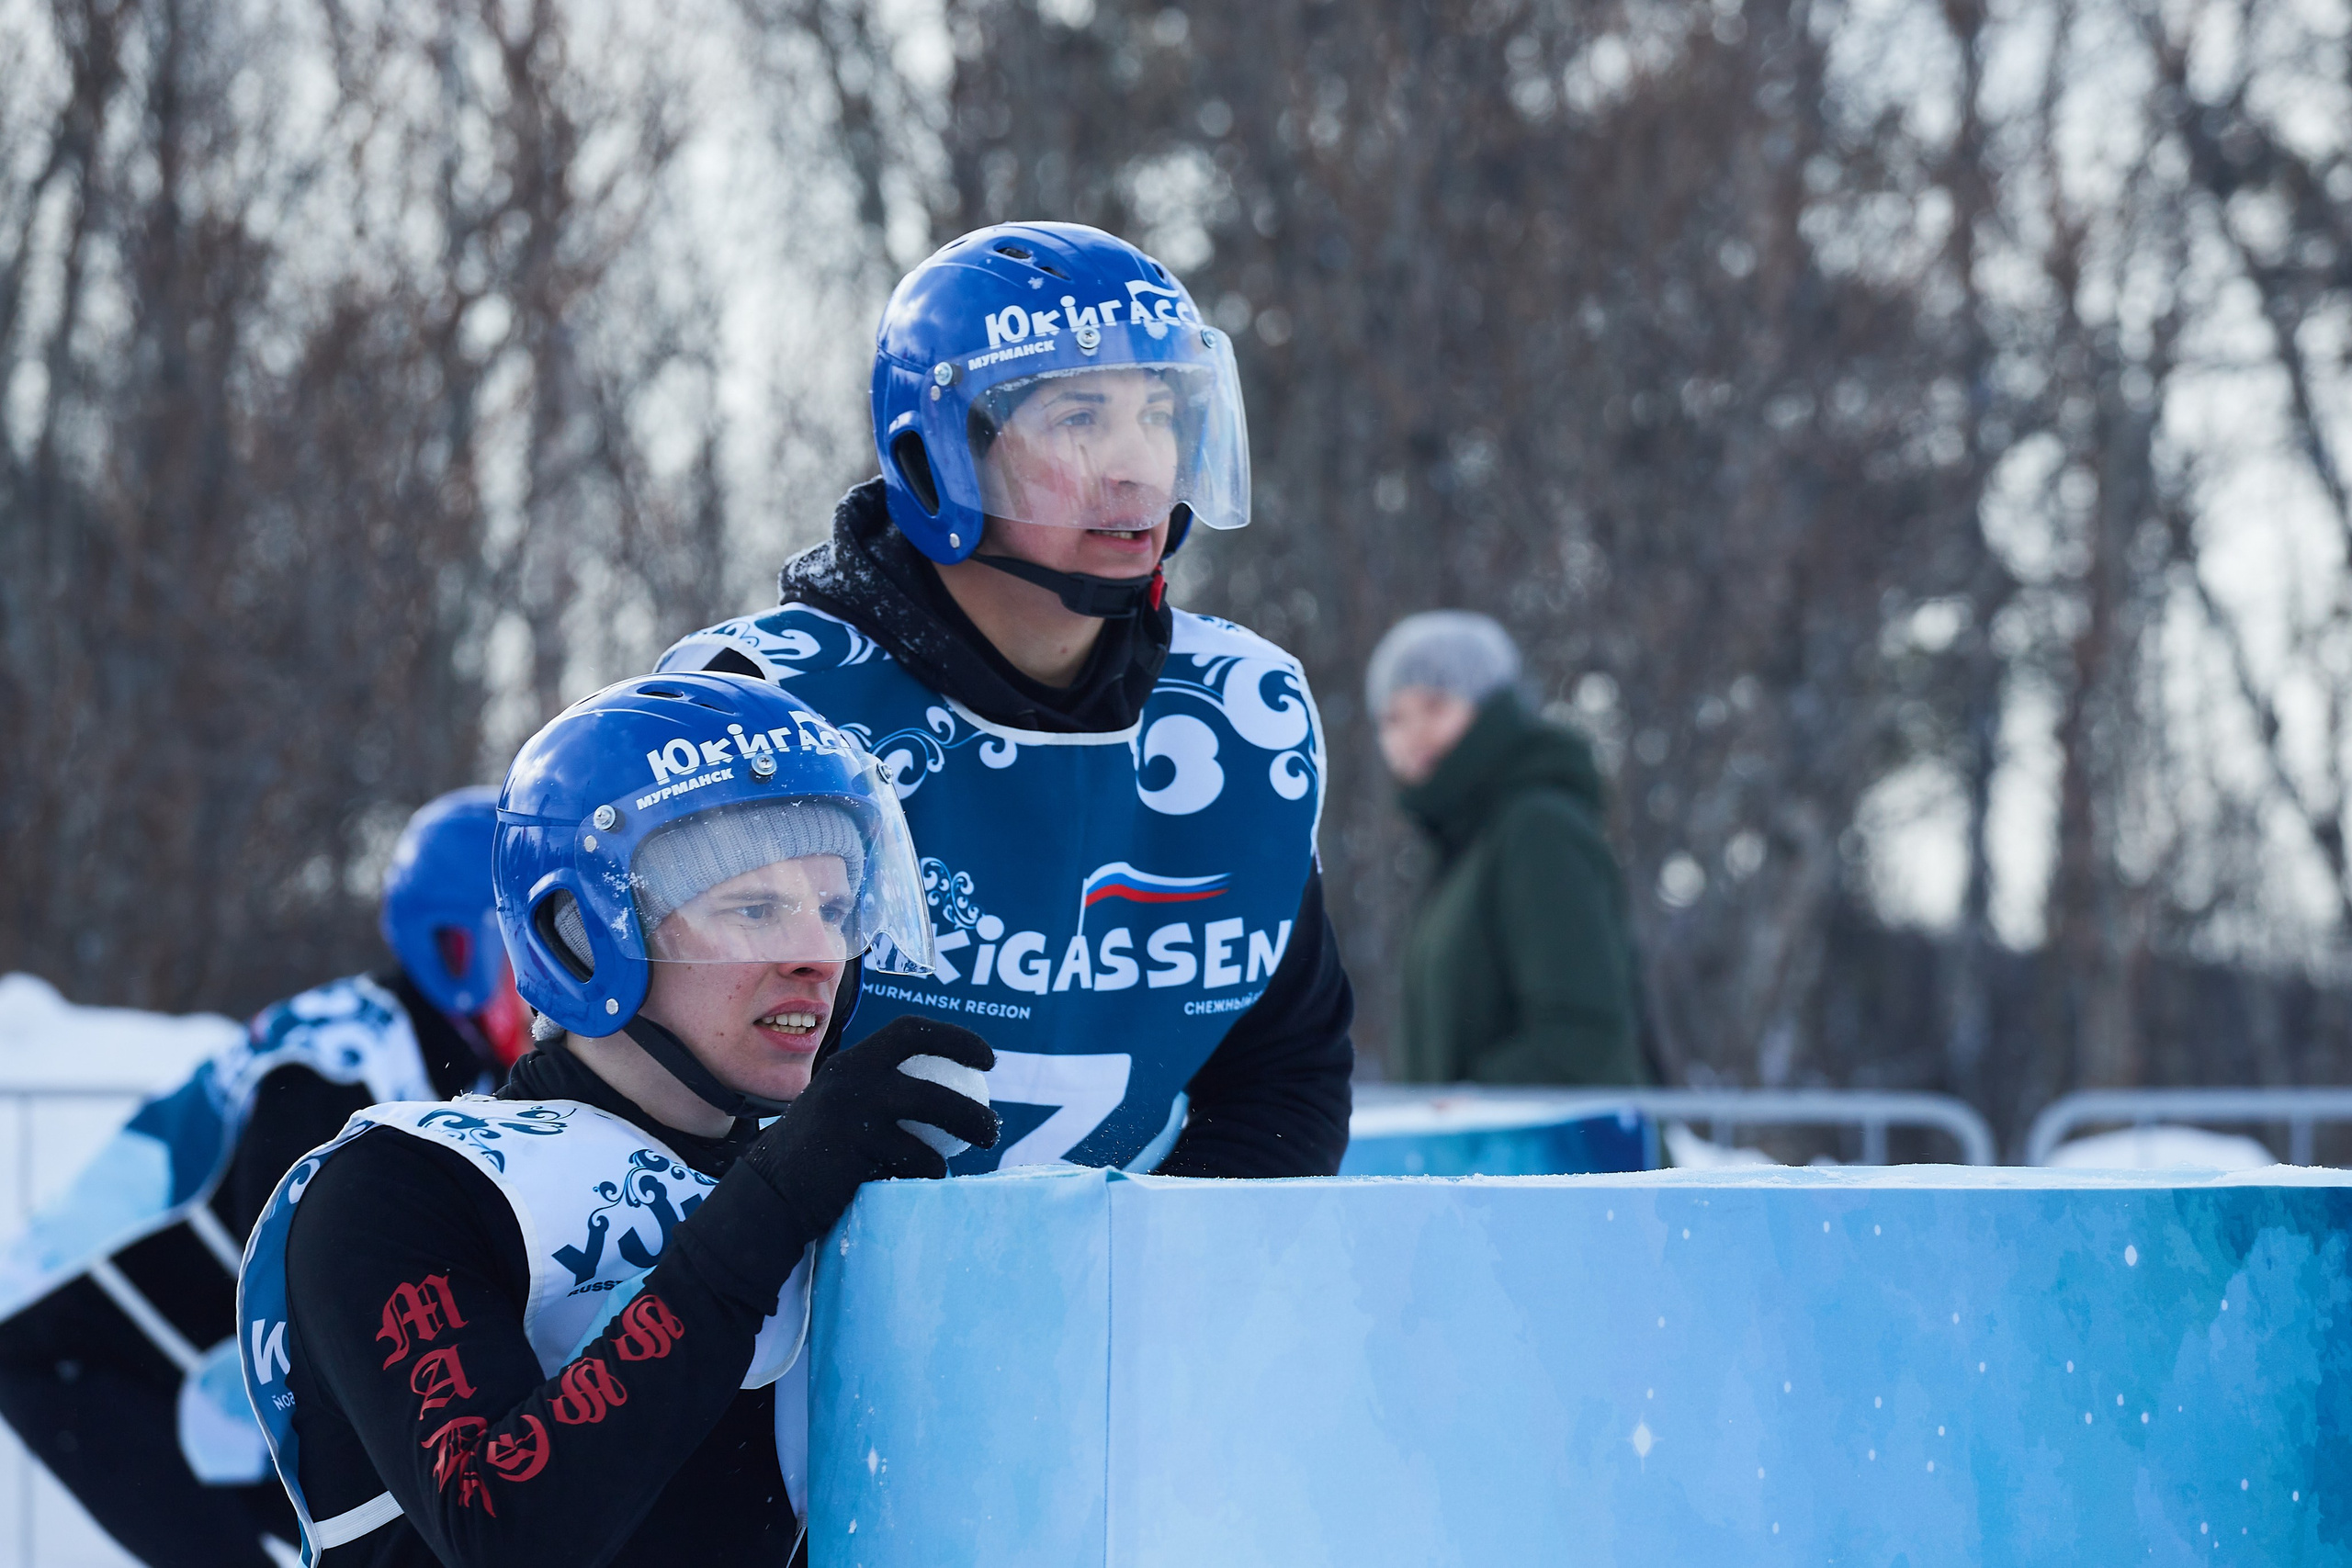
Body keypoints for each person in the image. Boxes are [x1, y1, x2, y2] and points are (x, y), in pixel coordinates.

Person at [238, 672, 999, 1566]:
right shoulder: (400, 1187)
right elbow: (504, 1532)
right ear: (584, 933)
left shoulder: (814, 1184)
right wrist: (777, 1200)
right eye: (753, 909)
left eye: (833, 910)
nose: (814, 957)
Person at [659, 220, 1351, 1179]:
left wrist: (1150, 1300)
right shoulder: (763, 711)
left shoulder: (1243, 715)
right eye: (1079, 419)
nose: (1138, 467)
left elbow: (1282, 1077)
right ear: (938, 456)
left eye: (1158, 415)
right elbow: (653, 1082)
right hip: (788, 1304)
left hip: (1111, 1310)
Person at [0, 788, 529, 1568]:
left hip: (202, 1372)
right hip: (80, 1352)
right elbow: (304, 1273)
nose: (546, 978)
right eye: (521, 944)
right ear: (454, 947)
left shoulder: (437, 1056)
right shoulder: (334, 1062)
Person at [1368, 611, 1646, 1086]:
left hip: (1566, 1155)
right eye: (1394, 717)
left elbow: (1582, 1037)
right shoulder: (1462, 847)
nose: (1412, 734)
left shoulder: (1538, 829)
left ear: (1492, 711)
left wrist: (1463, 1111)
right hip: (1485, 1154)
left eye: (1436, 705)